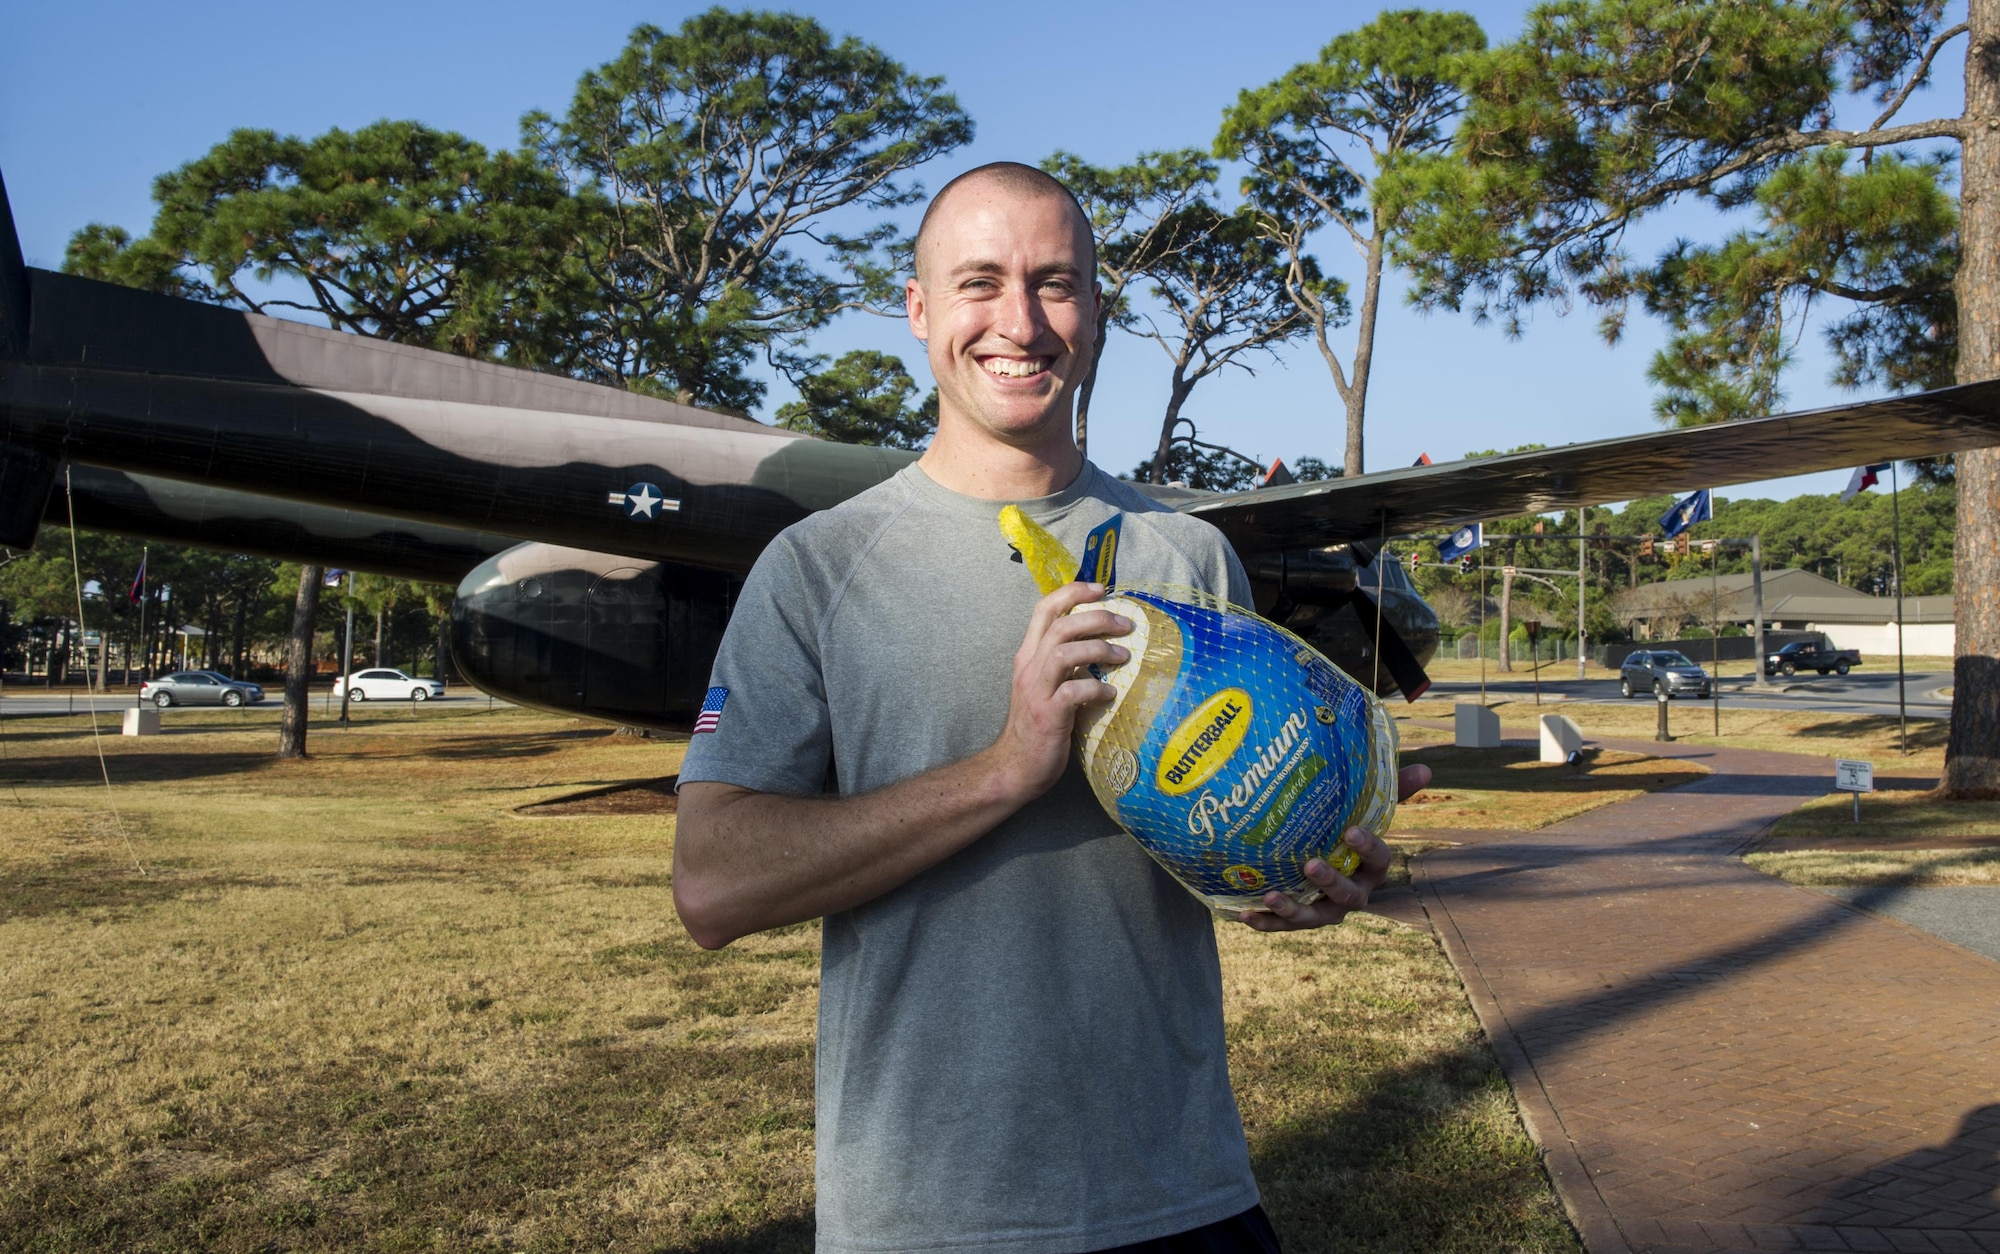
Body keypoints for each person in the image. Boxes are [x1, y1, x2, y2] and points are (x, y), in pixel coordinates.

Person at [674, 161, 1428, 1254]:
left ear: (1097, 312)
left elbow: (1209, 846)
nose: (1019, 322)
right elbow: (710, 886)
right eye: (978, 282)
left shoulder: (1188, 555)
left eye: (1056, 283)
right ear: (920, 309)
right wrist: (1004, 766)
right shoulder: (815, 569)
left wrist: (1297, 874)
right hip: (923, 1218)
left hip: (1181, 1194)